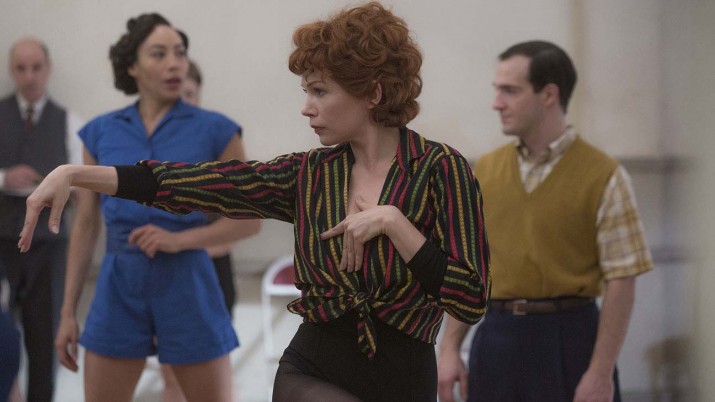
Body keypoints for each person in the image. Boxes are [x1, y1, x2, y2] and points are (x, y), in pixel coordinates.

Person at [19, 3, 491, 401]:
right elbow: (195, 183)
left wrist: (396, 225)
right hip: (312, 371)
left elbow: (470, 298)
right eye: (306, 91)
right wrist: (75, 173)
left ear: (372, 92)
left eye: (319, 91)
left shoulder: (441, 169)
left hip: (404, 376)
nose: (306, 107)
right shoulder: (310, 173)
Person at [48, 13, 258, 402]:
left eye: (180, 52)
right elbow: (86, 226)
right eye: (159, 54)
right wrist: (67, 313)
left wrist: (180, 240)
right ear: (132, 66)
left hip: (189, 283)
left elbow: (248, 222)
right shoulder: (101, 131)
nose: (174, 63)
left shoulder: (218, 130)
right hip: (118, 285)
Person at [437, 40, 653, 402]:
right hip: (496, 338)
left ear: (549, 94)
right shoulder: (485, 171)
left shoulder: (604, 175)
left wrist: (600, 373)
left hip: (571, 340)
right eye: (497, 90)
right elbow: (468, 270)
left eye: (510, 91)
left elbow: (622, 280)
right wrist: (449, 349)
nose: (496, 103)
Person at [0, 36, 84, 402]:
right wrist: (4, 178)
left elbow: (85, 185)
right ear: (11, 71)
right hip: (2, 243)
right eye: (21, 68)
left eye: (36, 67)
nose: (30, 76)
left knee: (44, 338)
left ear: (48, 69)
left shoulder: (69, 122)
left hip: (49, 248)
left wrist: (63, 188)